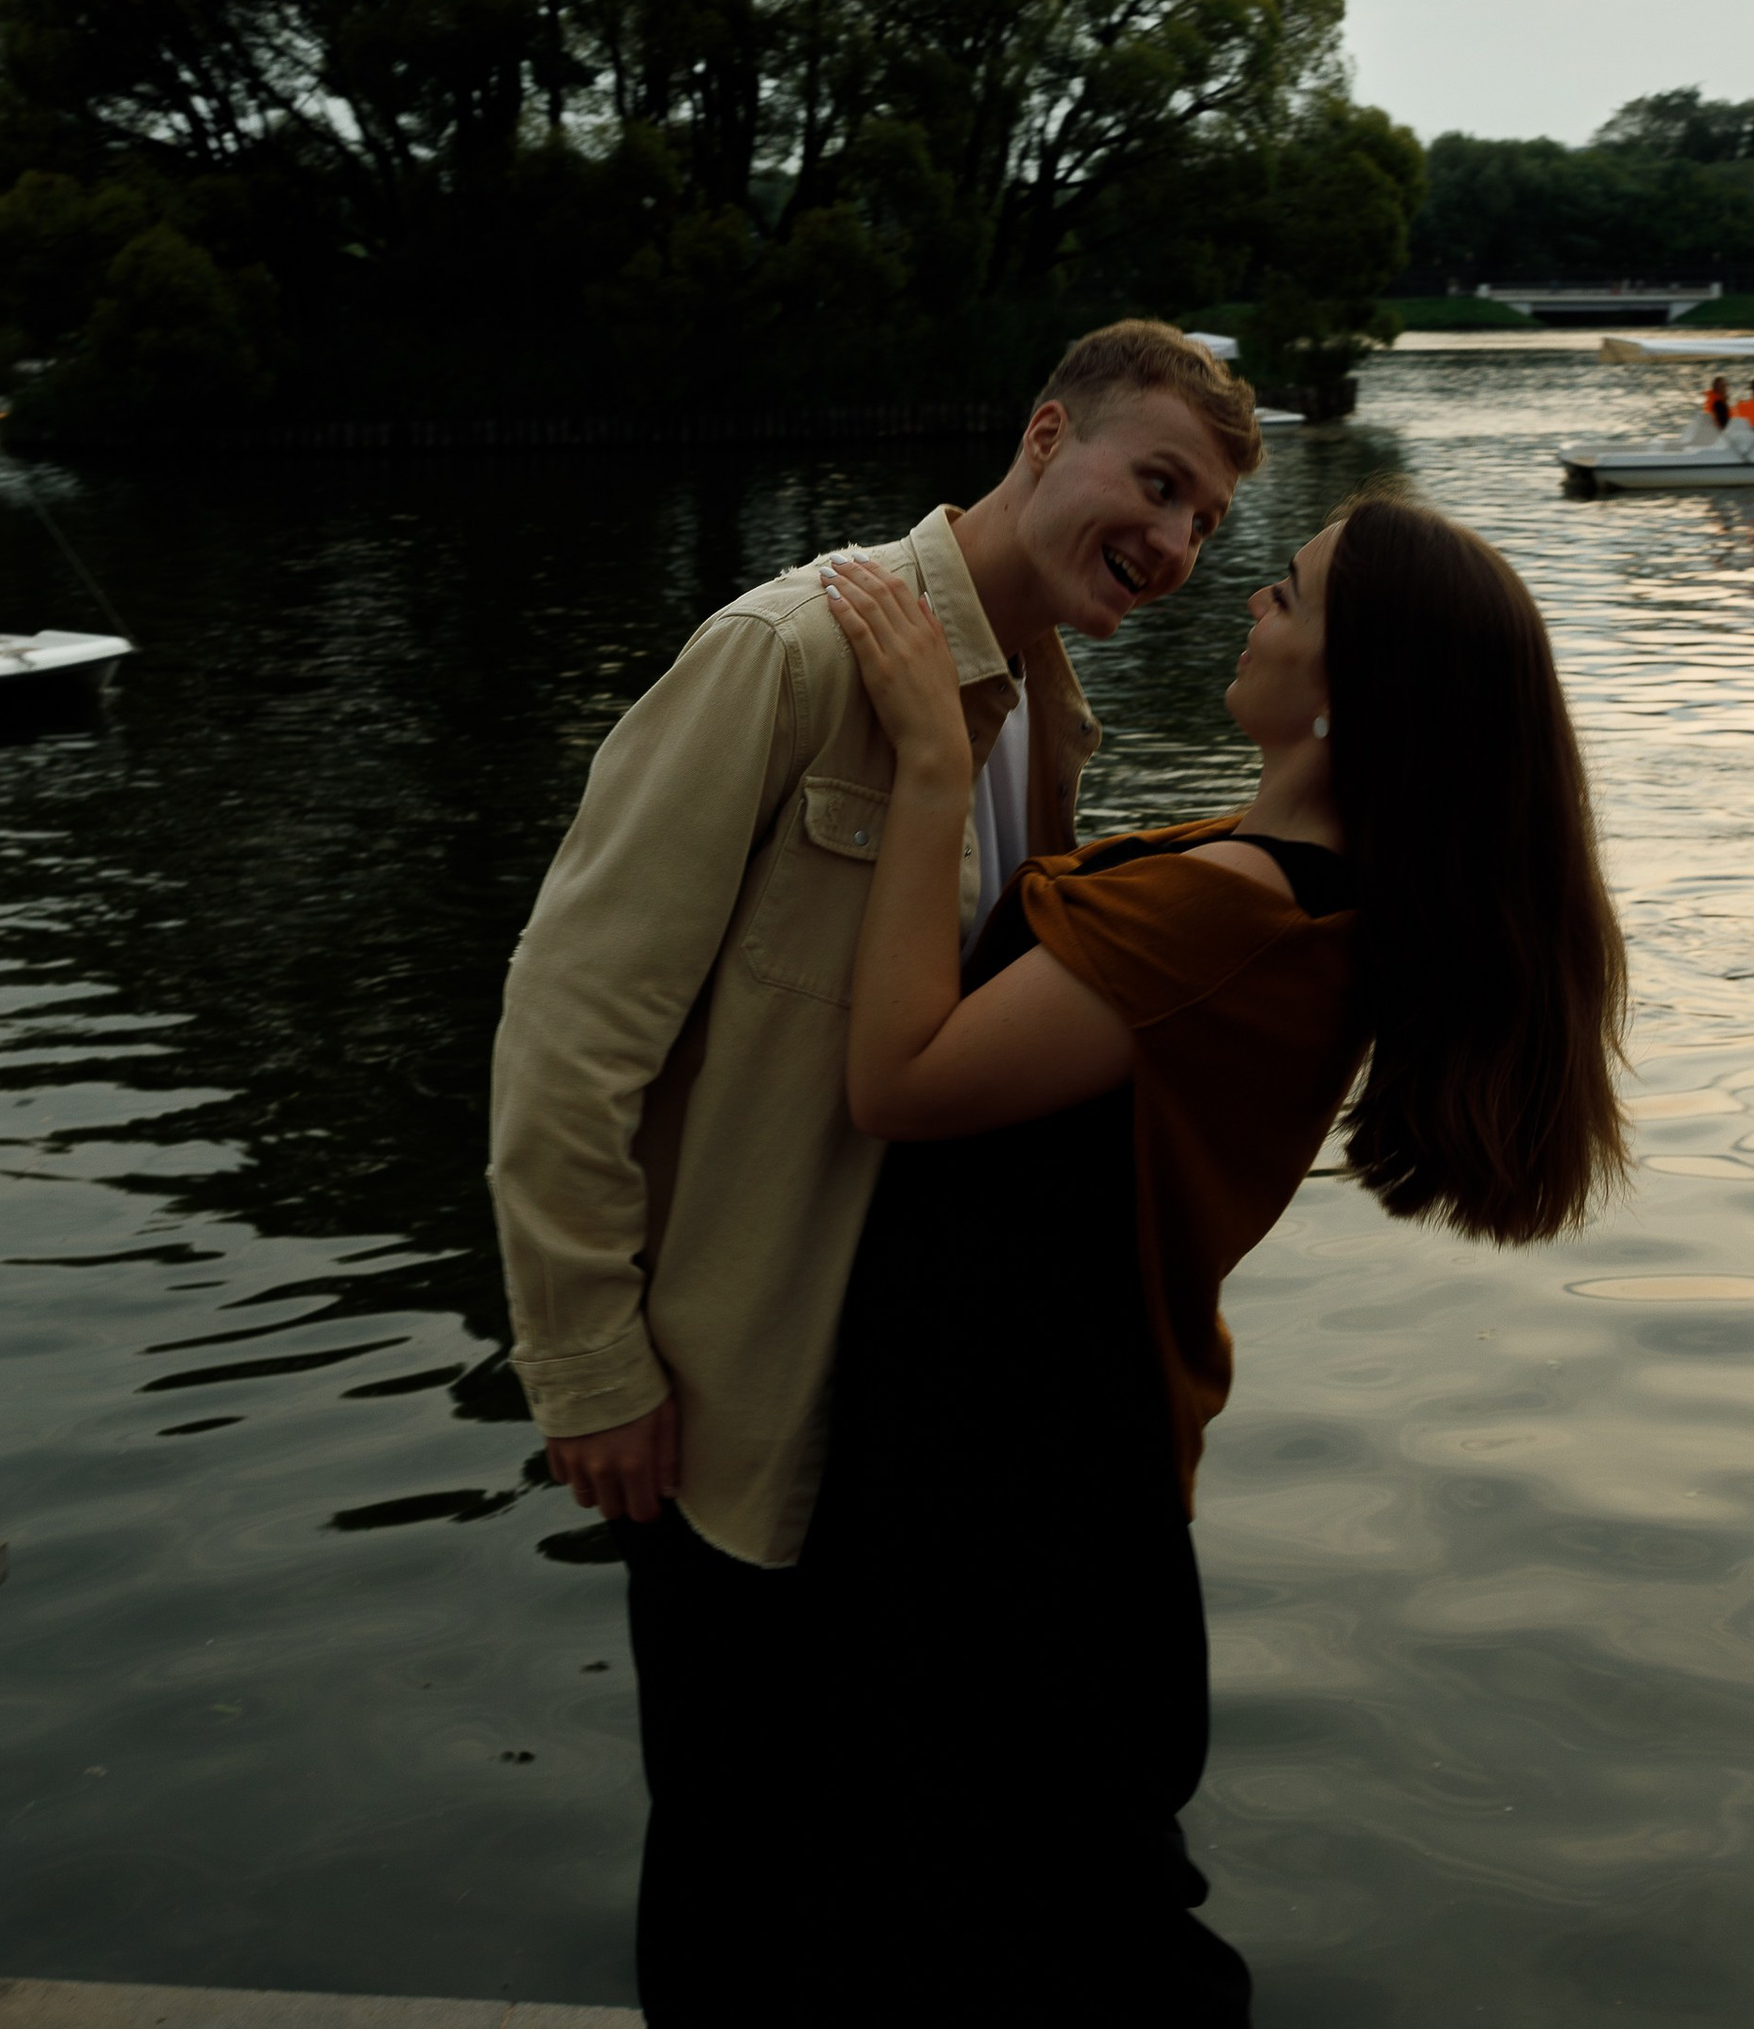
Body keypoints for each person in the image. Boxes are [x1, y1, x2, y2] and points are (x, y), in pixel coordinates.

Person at [488, 319, 1263, 2029]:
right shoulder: (793, 653)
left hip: (909, 1419)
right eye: (1156, 483)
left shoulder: (1044, 718)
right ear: (1045, 432)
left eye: (1206, 523)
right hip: (730, 1384)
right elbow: (570, 1022)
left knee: (865, 1875)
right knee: (730, 1866)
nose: (1176, 545)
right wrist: (589, 1363)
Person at [805, 489, 1632, 2028]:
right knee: (1040, 1927)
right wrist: (1035, 712)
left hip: (1023, 1499)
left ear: (1342, 690)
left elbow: (905, 1083)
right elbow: (1064, 972)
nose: (1249, 604)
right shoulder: (1266, 883)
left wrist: (933, 763)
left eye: (1288, 596)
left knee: (1078, 1954)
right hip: (1054, 1471)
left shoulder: (1241, 917)